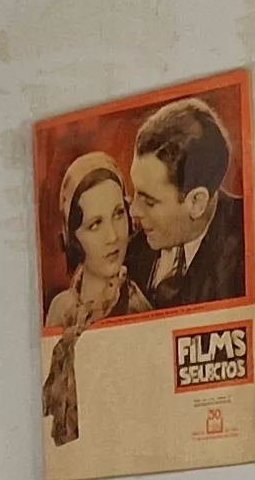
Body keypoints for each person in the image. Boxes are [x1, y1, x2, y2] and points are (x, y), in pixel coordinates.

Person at [127, 94, 244, 309]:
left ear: (197, 202)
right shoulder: (130, 253)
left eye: (150, 202)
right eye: (135, 193)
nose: (133, 210)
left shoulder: (246, 249)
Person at [46, 151, 154, 334]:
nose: (113, 236)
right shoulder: (59, 308)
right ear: (73, 239)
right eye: (95, 224)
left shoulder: (139, 312)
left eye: (118, 214)